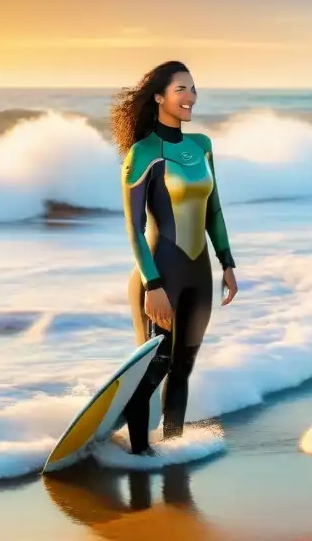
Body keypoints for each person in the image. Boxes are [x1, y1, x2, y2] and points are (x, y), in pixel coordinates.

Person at [108, 60, 239, 455]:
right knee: (154, 367)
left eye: (193, 88)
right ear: (160, 97)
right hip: (160, 272)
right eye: (181, 88)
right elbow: (133, 228)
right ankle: (139, 455)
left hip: (200, 274)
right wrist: (153, 284)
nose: (190, 96)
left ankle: (173, 449)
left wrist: (227, 262)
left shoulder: (202, 146)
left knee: (182, 367)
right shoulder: (143, 153)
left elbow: (214, 209)